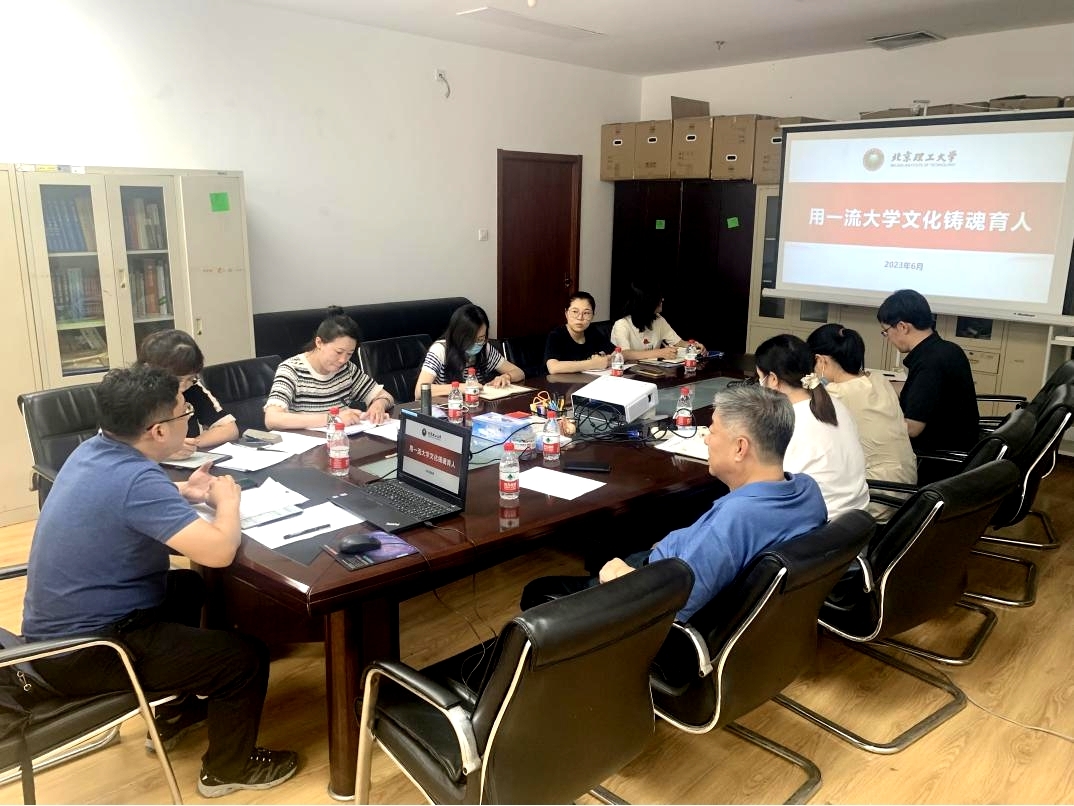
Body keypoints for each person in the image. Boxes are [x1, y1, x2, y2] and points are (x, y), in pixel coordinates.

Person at [21, 365, 298, 798]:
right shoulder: (136, 479)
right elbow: (218, 552)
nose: (189, 417)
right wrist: (227, 502)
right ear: (158, 431)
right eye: (184, 411)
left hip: (57, 632)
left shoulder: (93, 450)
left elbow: (122, 500)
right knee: (244, 658)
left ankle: (175, 709)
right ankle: (227, 769)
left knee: (187, 587)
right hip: (87, 651)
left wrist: (184, 492)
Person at [520, 384, 827, 623]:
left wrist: (623, 578)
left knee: (538, 591)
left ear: (740, 448)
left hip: (653, 592)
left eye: (713, 431)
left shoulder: (736, 518)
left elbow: (675, 609)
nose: (706, 439)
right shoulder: (806, 490)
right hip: (670, 564)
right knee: (618, 541)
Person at [755, 334, 870, 519]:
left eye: (760, 378)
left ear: (774, 379)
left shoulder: (787, 423)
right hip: (855, 523)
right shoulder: (835, 405)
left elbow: (768, 487)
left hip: (816, 527)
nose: (760, 385)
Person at [808, 324, 917, 519]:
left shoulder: (835, 395)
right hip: (905, 489)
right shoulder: (878, 379)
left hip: (875, 496)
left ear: (821, 360)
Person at [877, 289, 979, 452]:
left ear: (902, 327)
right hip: (959, 444)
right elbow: (918, 391)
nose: (887, 337)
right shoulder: (946, 349)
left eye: (886, 331)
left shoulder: (929, 363)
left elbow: (912, 428)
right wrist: (876, 384)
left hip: (936, 456)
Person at [264, 306, 394, 430]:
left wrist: (378, 405)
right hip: (308, 443)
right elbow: (272, 419)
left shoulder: (346, 369)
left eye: (349, 354)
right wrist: (333, 419)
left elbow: (384, 395)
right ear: (319, 343)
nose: (343, 360)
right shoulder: (291, 370)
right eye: (338, 352)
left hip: (342, 440)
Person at [137, 329, 239, 458]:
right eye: (177, 380)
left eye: (190, 378)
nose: (182, 388)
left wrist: (190, 445)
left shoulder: (192, 388)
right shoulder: (130, 394)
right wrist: (164, 451)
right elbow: (119, 446)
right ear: (149, 371)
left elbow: (229, 429)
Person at [414, 304, 525, 398]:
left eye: (481, 338)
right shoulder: (440, 350)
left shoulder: (485, 348)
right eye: (471, 339)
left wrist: (506, 377)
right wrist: (459, 387)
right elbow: (419, 391)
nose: (476, 344)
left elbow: (519, 372)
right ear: (458, 336)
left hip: (476, 407)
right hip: (446, 409)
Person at [610, 283, 704, 360]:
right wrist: (659, 353)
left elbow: (678, 342)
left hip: (652, 370)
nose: (662, 299)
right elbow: (625, 354)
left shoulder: (658, 319)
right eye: (658, 297)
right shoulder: (622, 324)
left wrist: (693, 346)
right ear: (646, 301)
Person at [544, 291, 616, 373]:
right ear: (566, 313)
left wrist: (608, 360)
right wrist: (592, 364)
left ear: (593, 315)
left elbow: (615, 352)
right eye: (575, 312)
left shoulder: (592, 331)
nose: (580, 318)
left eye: (586, 313)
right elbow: (553, 368)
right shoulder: (556, 335)